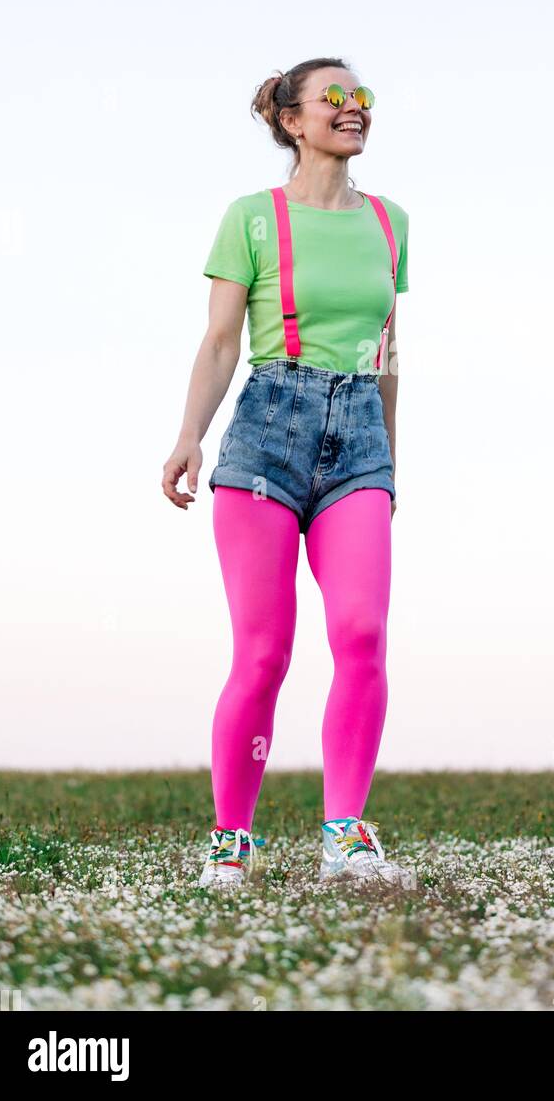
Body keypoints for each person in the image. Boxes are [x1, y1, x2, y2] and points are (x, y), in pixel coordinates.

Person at [162, 57, 415, 891]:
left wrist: (387, 456)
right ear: (292, 121)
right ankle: (231, 838)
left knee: (364, 635)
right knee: (264, 653)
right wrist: (190, 435)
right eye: (334, 99)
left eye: (361, 98)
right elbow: (221, 341)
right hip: (267, 433)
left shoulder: (391, 222)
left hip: (359, 442)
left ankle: (346, 832)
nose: (354, 110)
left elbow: (389, 352)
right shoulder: (252, 218)